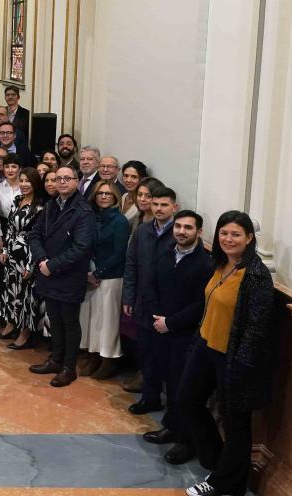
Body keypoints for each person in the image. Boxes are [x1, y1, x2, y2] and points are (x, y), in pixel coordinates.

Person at [180, 211, 279, 496]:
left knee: (236, 422)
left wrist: (239, 368)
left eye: (236, 234)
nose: (228, 239)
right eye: (224, 233)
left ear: (249, 238)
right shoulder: (221, 262)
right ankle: (217, 461)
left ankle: (225, 483)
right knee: (188, 399)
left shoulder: (256, 275)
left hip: (233, 357)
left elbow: (256, 329)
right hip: (205, 345)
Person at [142, 209, 214, 466]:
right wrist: (156, 317)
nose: (182, 231)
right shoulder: (165, 253)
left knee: (183, 388)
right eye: (179, 227)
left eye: (188, 228)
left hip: (184, 334)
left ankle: (186, 441)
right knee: (170, 384)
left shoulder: (205, 264)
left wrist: (170, 323)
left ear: (199, 232)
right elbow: (150, 284)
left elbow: (199, 304)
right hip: (160, 328)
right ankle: (171, 427)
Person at [27, 166, 97, 387]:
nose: (63, 182)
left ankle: (69, 367)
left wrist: (52, 265)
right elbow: (34, 234)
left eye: (68, 178)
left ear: (77, 181)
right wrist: (42, 261)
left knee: (69, 322)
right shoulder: (50, 206)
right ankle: (56, 359)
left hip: (68, 274)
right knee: (54, 319)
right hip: (47, 271)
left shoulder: (83, 211)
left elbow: (81, 248)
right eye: (59, 179)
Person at [123, 185, 178, 414]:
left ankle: (173, 409)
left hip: (168, 307)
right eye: (155, 204)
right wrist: (129, 295)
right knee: (145, 353)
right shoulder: (143, 231)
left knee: (168, 359)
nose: (158, 208)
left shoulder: (179, 232)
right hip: (143, 302)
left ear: (174, 207)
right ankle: (150, 397)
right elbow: (132, 264)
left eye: (164, 205)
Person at [78, 180, 129, 380]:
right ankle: (93, 354)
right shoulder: (92, 217)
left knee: (108, 321)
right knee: (92, 319)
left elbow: (120, 253)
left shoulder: (121, 221)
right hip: (91, 274)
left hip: (111, 277)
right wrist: (89, 271)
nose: (104, 196)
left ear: (115, 197)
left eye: (108, 193)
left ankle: (109, 359)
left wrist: (98, 273)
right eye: (100, 193)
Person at [0, 168, 45, 350]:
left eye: (28, 181)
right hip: (11, 255)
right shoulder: (17, 200)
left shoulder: (40, 207)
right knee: (11, 291)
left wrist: (31, 263)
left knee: (25, 295)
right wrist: (4, 249)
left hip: (27, 255)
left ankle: (25, 333)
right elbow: (10, 227)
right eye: (22, 180)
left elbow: (38, 237)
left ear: (35, 184)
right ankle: (11, 324)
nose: (25, 184)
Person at [120, 160, 149, 231]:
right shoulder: (123, 197)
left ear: (142, 179)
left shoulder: (143, 203)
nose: (128, 180)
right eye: (126, 176)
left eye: (134, 177)